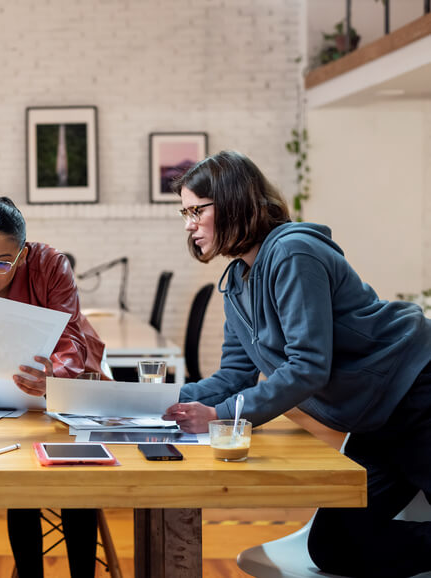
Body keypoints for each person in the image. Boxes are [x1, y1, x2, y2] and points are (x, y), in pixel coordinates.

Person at [162, 150, 431, 577]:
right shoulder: (237, 284)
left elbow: (308, 366)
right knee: (333, 545)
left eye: (197, 210)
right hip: (375, 419)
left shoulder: (293, 252)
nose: (189, 223)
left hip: (417, 392)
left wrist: (221, 415)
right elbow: (234, 376)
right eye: (184, 213)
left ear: (233, 201)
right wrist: (157, 400)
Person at [0, 196, 105, 578]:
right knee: (19, 481)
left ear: (24, 255)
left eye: (2, 262)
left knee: (74, 476)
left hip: (62, 397)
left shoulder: (49, 265)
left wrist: (52, 381)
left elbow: (73, 341)